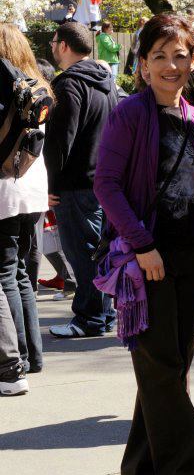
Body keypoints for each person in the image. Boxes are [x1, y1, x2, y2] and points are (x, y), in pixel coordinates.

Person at [94, 13, 194, 475]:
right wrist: (143, 244)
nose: (171, 65)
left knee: (170, 370)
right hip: (146, 263)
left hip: (190, 261)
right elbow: (106, 184)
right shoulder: (129, 115)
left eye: (181, 55)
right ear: (142, 64)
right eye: (160, 56)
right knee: (163, 370)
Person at [44, 21, 118, 338]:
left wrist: (50, 186)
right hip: (103, 181)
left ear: (64, 45)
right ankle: (102, 314)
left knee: (84, 254)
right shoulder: (107, 82)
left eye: (53, 42)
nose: (51, 47)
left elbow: (60, 140)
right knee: (97, 253)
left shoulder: (68, 85)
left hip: (75, 186)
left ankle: (90, 318)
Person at [0, 24, 49, 378]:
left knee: (6, 274)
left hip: (6, 188)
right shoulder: (37, 87)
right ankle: (34, 354)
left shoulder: (9, 91)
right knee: (21, 276)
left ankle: (18, 356)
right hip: (33, 189)